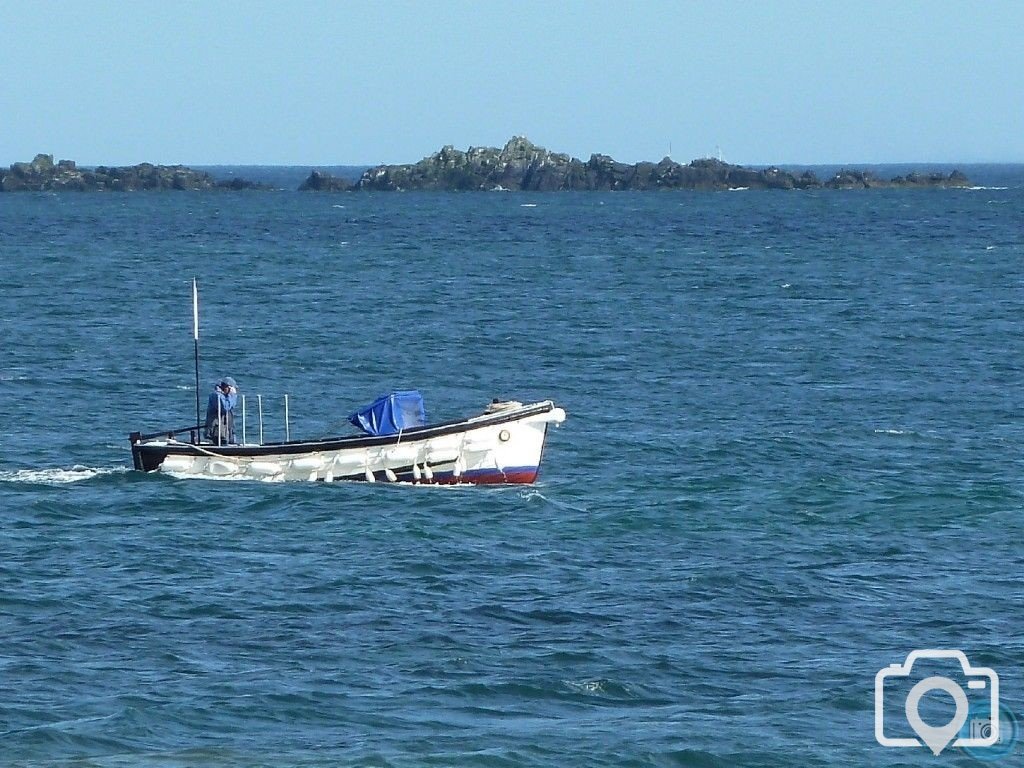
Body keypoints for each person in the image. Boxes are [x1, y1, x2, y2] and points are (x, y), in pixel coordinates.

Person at [205, 376, 238, 444]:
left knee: (232, 442)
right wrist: (232, 395)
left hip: (227, 429)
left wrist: (231, 396)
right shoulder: (216, 395)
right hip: (218, 430)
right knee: (221, 443)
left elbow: (232, 405)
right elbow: (225, 407)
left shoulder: (226, 396)